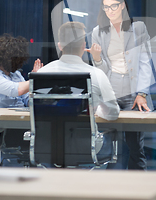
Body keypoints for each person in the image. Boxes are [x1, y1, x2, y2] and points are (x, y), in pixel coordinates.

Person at [88, 0, 153, 170]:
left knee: (135, 144)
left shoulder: (137, 27)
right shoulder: (98, 32)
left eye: (114, 6)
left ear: (123, 5)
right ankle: (112, 189)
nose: (110, 11)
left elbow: (145, 62)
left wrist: (142, 93)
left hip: (133, 91)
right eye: (106, 7)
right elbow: (101, 71)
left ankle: (138, 187)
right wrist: (98, 58)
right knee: (111, 143)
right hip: (111, 89)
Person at [37, 21, 120, 157]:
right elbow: (112, 113)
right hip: (86, 149)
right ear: (83, 46)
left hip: (45, 148)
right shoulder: (97, 74)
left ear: (60, 46)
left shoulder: (41, 74)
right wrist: (94, 107)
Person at [0, 34, 43, 108]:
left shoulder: (16, 74)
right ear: (6, 59)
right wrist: (36, 79)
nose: (19, 64)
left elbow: (27, 99)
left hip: (21, 116)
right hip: (1, 117)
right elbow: (14, 90)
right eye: (16, 60)